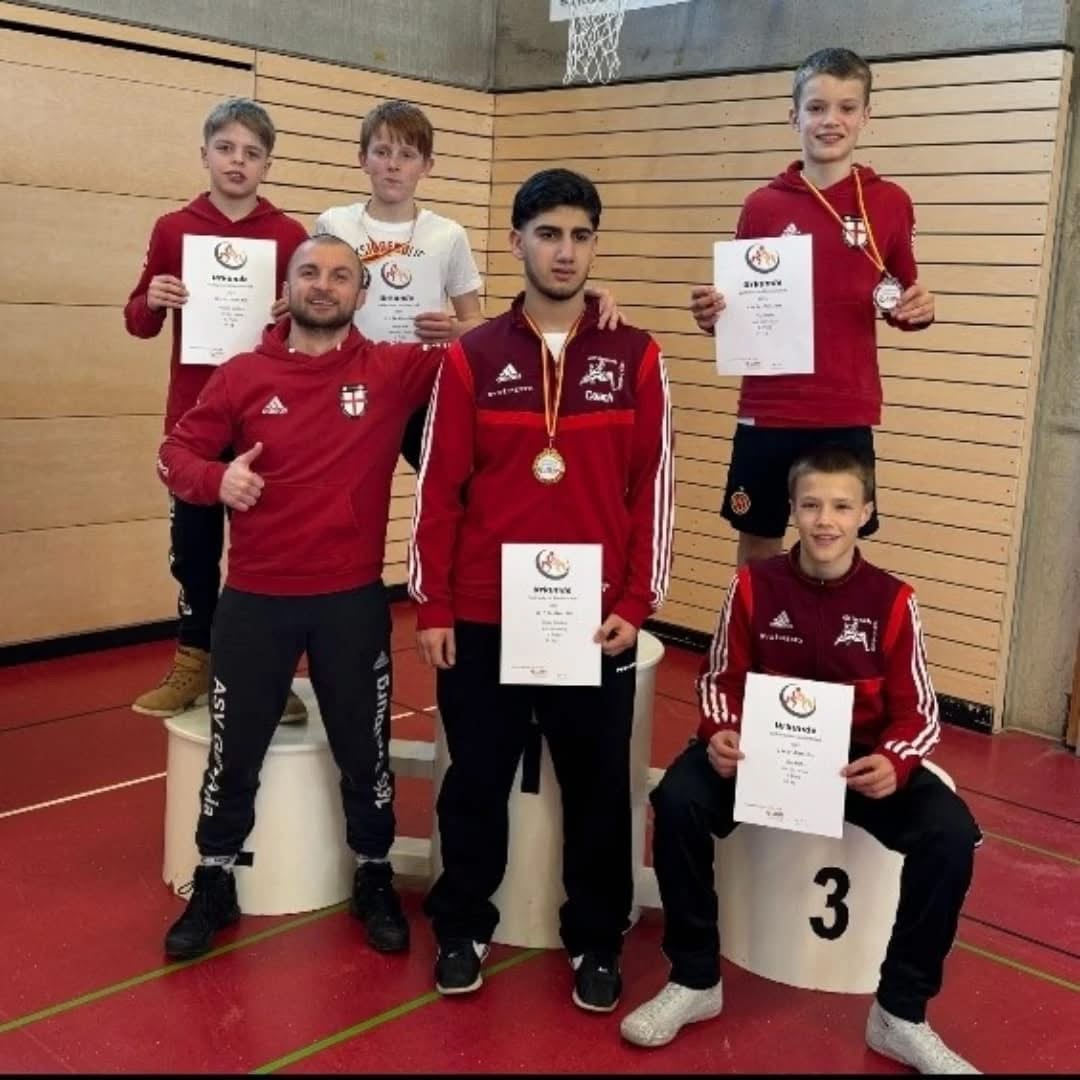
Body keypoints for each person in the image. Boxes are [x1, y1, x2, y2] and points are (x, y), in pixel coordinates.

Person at [620, 445, 981, 1075]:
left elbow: (918, 711)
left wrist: (893, 762)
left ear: (865, 513)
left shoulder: (894, 600)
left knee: (951, 834)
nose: (824, 520)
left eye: (841, 506)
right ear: (791, 509)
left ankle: (900, 1014)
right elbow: (720, 680)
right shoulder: (753, 586)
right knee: (677, 800)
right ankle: (695, 979)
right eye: (811, 505)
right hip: (763, 754)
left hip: (857, 764)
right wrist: (722, 733)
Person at [409, 168, 674, 1012]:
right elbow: (439, 488)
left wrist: (635, 602)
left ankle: (597, 937)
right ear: (517, 241)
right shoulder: (471, 356)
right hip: (484, 612)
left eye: (580, 236)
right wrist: (433, 603)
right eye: (549, 234)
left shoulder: (636, 355)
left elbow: (653, 487)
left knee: (598, 789)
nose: (565, 252)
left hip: (591, 621)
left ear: (595, 246)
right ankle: (462, 925)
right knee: (475, 780)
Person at [157, 235, 447, 961]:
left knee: (365, 753)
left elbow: (514, 342)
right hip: (256, 602)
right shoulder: (241, 375)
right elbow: (174, 454)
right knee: (234, 754)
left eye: (341, 275)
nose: (325, 285)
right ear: (286, 289)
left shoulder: (394, 369)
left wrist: (590, 306)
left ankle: (373, 873)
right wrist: (217, 481)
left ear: (362, 294)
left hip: (350, 603)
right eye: (310, 272)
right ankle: (214, 877)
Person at [689, 48, 936, 566]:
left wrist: (917, 309)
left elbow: (900, 293)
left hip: (844, 406)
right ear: (794, 116)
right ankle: (756, 624)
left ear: (866, 116)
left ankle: (819, 627)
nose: (831, 120)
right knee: (758, 544)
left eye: (847, 108)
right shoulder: (762, 205)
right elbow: (742, 305)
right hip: (769, 407)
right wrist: (714, 314)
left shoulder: (890, 202)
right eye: (817, 107)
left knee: (832, 546)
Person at [124, 97, 310, 724]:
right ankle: (194, 661)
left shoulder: (289, 236)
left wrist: (292, 316)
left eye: (252, 153)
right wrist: (153, 298)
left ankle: (263, 668)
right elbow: (138, 323)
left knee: (268, 554)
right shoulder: (173, 228)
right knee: (194, 551)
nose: (238, 162)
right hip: (196, 421)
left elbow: (311, 336)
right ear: (204, 153)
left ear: (267, 165)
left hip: (270, 419)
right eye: (226, 148)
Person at [315, 99, 623, 470]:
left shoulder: (447, 234)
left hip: (422, 383)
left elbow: (474, 323)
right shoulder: (334, 224)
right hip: (353, 380)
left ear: (426, 166)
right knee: (346, 486)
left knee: (452, 481)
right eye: (382, 152)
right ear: (363, 159)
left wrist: (453, 329)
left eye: (407, 155)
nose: (393, 165)